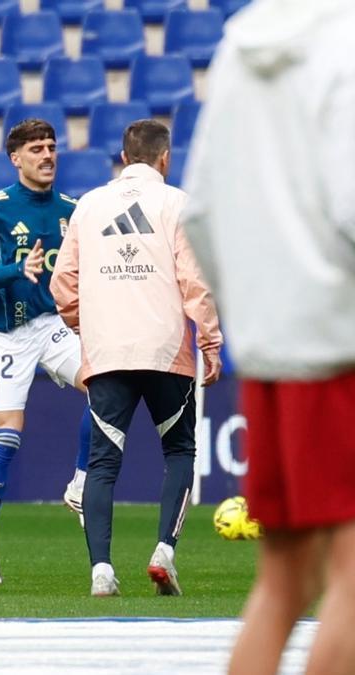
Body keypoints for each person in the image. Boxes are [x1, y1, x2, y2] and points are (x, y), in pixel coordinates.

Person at [178, 2, 355, 671]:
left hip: (273, 347)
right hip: (341, 337)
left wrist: (254, 311)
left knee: (282, 583)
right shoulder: (346, 41)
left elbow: (200, 208)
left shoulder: (240, 44)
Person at [50, 119, 222, 597]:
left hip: (108, 352)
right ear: (165, 159)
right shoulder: (177, 203)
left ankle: (101, 572)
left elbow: (62, 283)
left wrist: (86, 325)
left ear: (124, 158)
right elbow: (195, 281)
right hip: (166, 349)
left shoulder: (88, 205)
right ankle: (164, 551)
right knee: (179, 451)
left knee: (103, 463)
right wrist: (210, 341)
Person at [0, 119, 95, 586]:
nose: (47, 155)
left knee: (106, 387)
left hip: (53, 324)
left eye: (52, 147)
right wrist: (18, 269)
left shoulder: (74, 210)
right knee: (6, 437)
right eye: (36, 149)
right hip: (5, 331)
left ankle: (80, 484)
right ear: (15, 158)